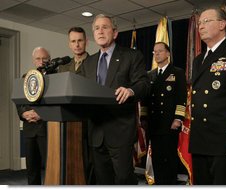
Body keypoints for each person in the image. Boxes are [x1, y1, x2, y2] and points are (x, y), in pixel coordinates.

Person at [80, 14, 149, 185]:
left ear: (115, 32)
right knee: (103, 180)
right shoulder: (88, 63)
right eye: (97, 28)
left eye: (105, 27)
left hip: (120, 131)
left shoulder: (131, 56)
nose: (100, 31)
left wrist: (131, 90)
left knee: (124, 178)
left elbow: (144, 84)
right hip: (96, 132)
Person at [189, 7, 226, 185]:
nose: (200, 26)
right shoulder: (198, 59)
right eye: (199, 23)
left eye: (206, 21)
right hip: (200, 139)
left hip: (224, 141)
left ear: (222, 24)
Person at [58, 26, 95, 184]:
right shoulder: (63, 67)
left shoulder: (95, 62)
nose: (77, 44)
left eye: (80, 40)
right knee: (71, 162)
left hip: (90, 121)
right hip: (69, 121)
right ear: (69, 44)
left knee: (90, 162)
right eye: (73, 41)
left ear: (86, 42)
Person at [146, 42, 187, 184]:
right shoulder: (150, 75)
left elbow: (182, 98)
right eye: (154, 52)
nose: (156, 54)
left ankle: (169, 184)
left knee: (169, 158)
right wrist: (144, 118)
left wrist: (178, 118)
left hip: (169, 123)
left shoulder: (177, 72)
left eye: (160, 51)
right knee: (156, 158)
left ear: (168, 54)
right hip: (154, 124)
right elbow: (146, 100)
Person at [17, 47, 50, 185]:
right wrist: (23, 113)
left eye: (44, 59)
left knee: (50, 168)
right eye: (38, 58)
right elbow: (19, 100)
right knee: (32, 169)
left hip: (47, 130)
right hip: (29, 129)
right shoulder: (26, 77)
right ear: (33, 60)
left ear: (49, 60)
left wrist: (41, 114)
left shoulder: (54, 78)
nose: (41, 61)